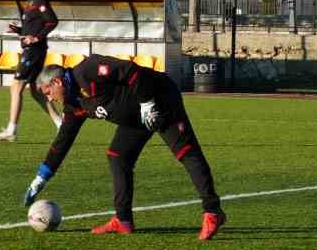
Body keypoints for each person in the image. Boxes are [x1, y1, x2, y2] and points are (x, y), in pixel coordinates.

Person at [23, 58, 227, 240]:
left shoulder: (88, 69)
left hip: (160, 98)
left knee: (186, 153)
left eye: (48, 92)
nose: (49, 99)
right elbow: (63, 140)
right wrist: (42, 176)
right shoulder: (73, 105)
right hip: (135, 117)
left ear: (56, 82)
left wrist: (147, 102)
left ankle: (213, 212)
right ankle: (123, 220)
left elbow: (130, 70)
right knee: (118, 157)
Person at [0, 0, 60, 141]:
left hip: (33, 51)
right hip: (33, 50)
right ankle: (60, 123)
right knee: (36, 91)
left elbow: (52, 21)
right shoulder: (31, 1)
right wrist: (18, 30)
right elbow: (33, 28)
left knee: (16, 86)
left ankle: (11, 130)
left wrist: (36, 38)